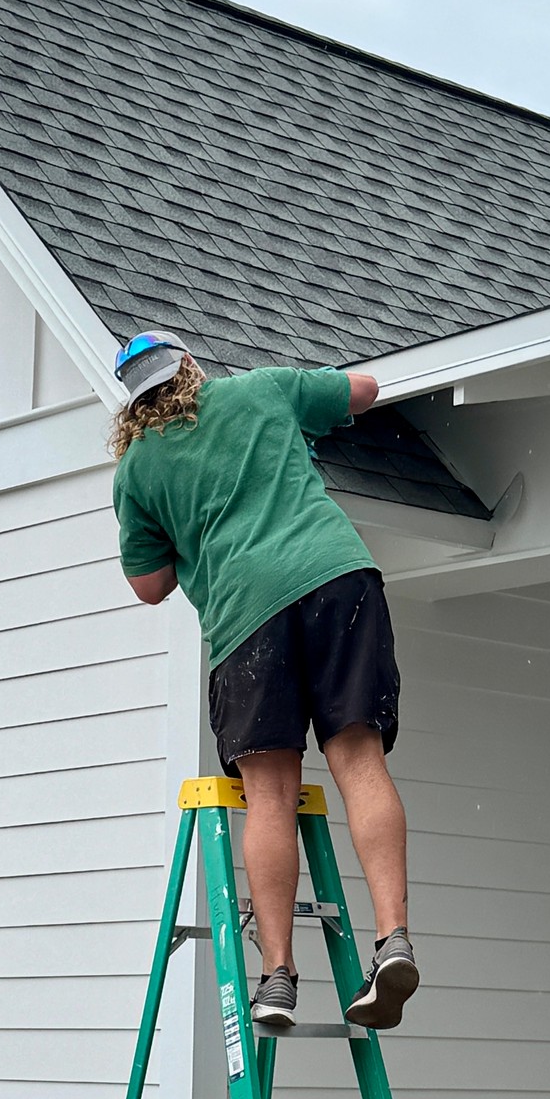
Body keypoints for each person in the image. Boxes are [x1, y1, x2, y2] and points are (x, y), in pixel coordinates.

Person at [109, 331, 418, 1032]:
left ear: (133, 403)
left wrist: (189, 519)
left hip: (247, 616)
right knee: (360, 763)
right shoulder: (260, 389)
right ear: (190, 366)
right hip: (336, 577)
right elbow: (363, 391)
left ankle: (278, 977)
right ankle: (393, 939)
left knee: (271, 796)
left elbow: (149, 585)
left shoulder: (136, 471)